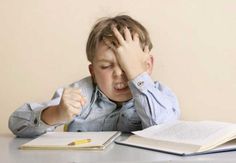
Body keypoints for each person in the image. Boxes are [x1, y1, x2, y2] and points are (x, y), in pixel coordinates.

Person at [8, 15, 180, 138]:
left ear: (147, 66)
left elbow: (164, 132)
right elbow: (16, 123)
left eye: (127, 65)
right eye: (106, 66)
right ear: (93, 72)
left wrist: (137, 74)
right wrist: (55, 113)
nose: (119, 73)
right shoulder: (81, 92)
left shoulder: (162, 96)